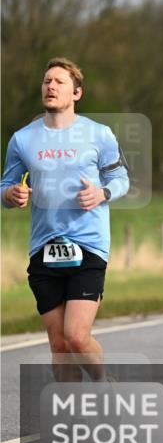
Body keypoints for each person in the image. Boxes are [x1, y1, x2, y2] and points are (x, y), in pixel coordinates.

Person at [1, 57, 130, 381]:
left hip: (88, 243)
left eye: (59, 81)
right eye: (47, 81)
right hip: (43, 246)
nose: (51, 86)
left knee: (76, 336)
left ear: (77, 93)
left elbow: (122, 179)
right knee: (59, 345)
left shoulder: (99, 134)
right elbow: (5, 185)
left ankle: (103, 384)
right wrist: (10, 195)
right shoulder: (23, 139)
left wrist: (103, 193)